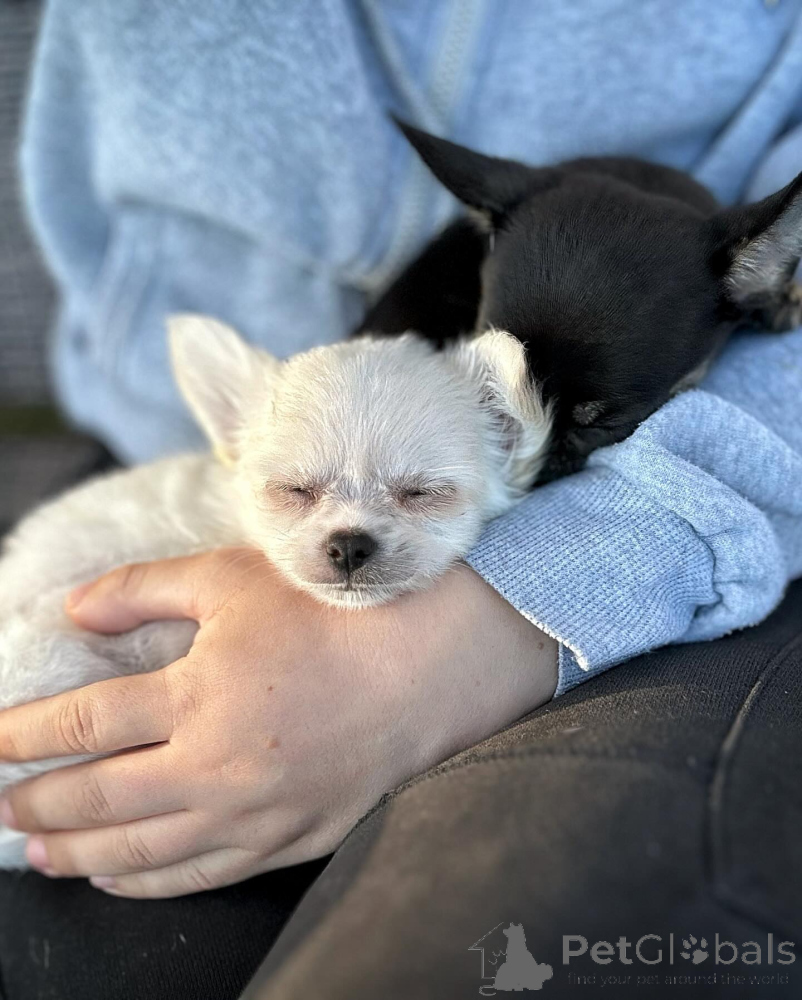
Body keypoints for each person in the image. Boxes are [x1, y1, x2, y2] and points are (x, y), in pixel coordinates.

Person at [0, 2, 801, 997]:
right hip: (170, 462)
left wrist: (509, 615)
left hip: (685, 533)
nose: (540, 448)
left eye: (581, 418)